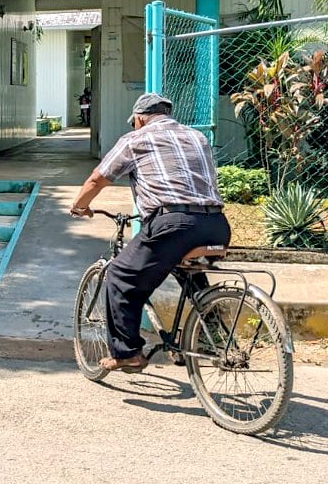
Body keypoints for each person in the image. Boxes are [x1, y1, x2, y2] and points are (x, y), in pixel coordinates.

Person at [68, 93, 229, 373]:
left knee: (119, 275)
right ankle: (209, 332)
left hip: (173, 224)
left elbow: (98, 178)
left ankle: (127, 353)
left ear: (140, 118)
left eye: (135, 122)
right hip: (216, 224)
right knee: (184, 268)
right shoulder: (196, 137)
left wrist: (80, 206)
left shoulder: (136, 139)